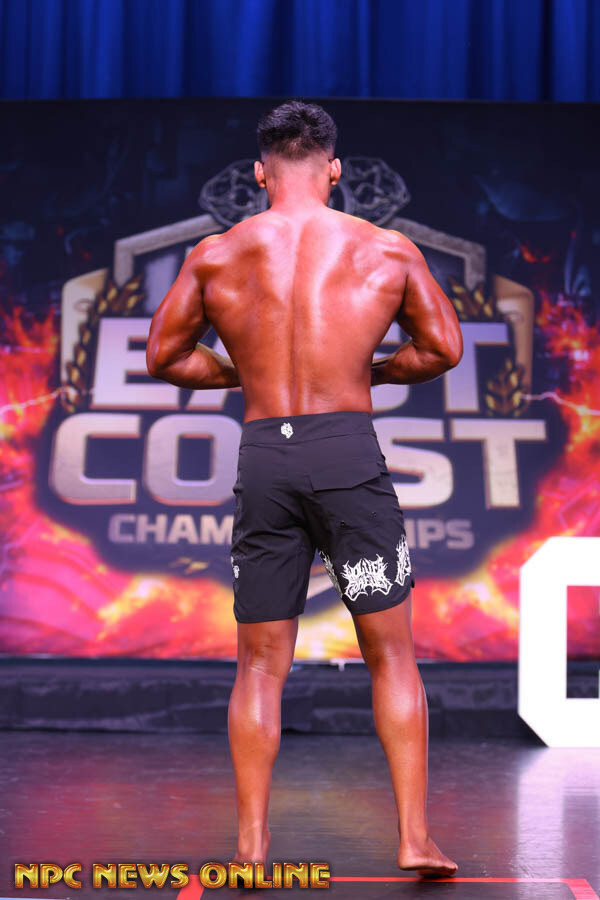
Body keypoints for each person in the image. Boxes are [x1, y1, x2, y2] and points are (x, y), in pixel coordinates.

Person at [146, 100, 463, 878]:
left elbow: (164, 356)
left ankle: (251, 847)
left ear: (260, 173)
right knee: (391, 655)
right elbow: (443, 349)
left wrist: (243, 374)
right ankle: (414, 839)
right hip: (344, 451)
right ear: (335, 169)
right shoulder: (385, 248)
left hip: (266, 456)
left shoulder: (217, 254)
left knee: (259, 664)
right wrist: (367, 370)